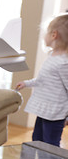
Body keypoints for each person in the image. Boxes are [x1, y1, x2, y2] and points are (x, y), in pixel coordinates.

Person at [16, 14, 68, 147]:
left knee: (50, 144)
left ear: (54, 35)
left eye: (46, 32)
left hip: (55, 113)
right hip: (44, 110)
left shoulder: (64, 62)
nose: (44, 36)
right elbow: (42, 79)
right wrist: (26, 83)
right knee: (37, 138)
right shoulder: (52, 56)